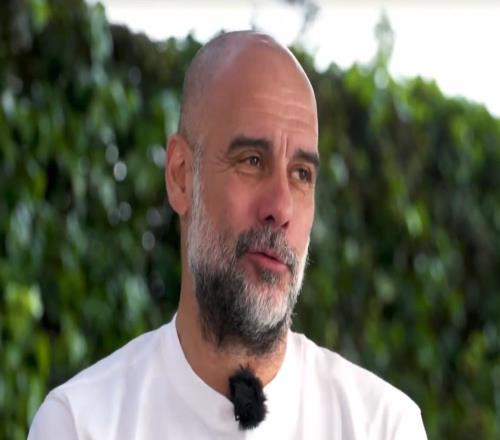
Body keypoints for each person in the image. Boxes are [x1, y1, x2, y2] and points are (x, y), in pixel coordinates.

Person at [28, 30, 427, 439]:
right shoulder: (80, 424)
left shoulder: (382, 426)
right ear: (181, 176)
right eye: (252, 161)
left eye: (301, 174)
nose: (281, 208)